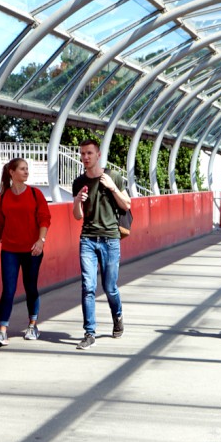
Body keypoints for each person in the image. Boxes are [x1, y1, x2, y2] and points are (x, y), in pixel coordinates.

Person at [71, 138, 130, 350]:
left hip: (110, 239)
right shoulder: (79, 182)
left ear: (98, 155)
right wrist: (78, 200)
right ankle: (89, 332)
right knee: (88, 286)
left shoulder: (113, 177)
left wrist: (113, 188)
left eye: (89, 153)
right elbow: (77, 216)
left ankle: (118, 316)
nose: (85, 157)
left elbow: (127, 204)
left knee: (110, 287)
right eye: (82, 154)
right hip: (87, 238)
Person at [0, 157, 51, 345]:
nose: (26, 172)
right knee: (8, 289)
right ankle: (2, 331)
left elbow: (45, 219)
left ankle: (33, 325)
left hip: (32, 249)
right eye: (22, 169)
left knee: (30, 287)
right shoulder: (1, 198)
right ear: (12, 172)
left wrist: (41, 241)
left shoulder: (35, 194)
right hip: (9, 250)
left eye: (27, 169)